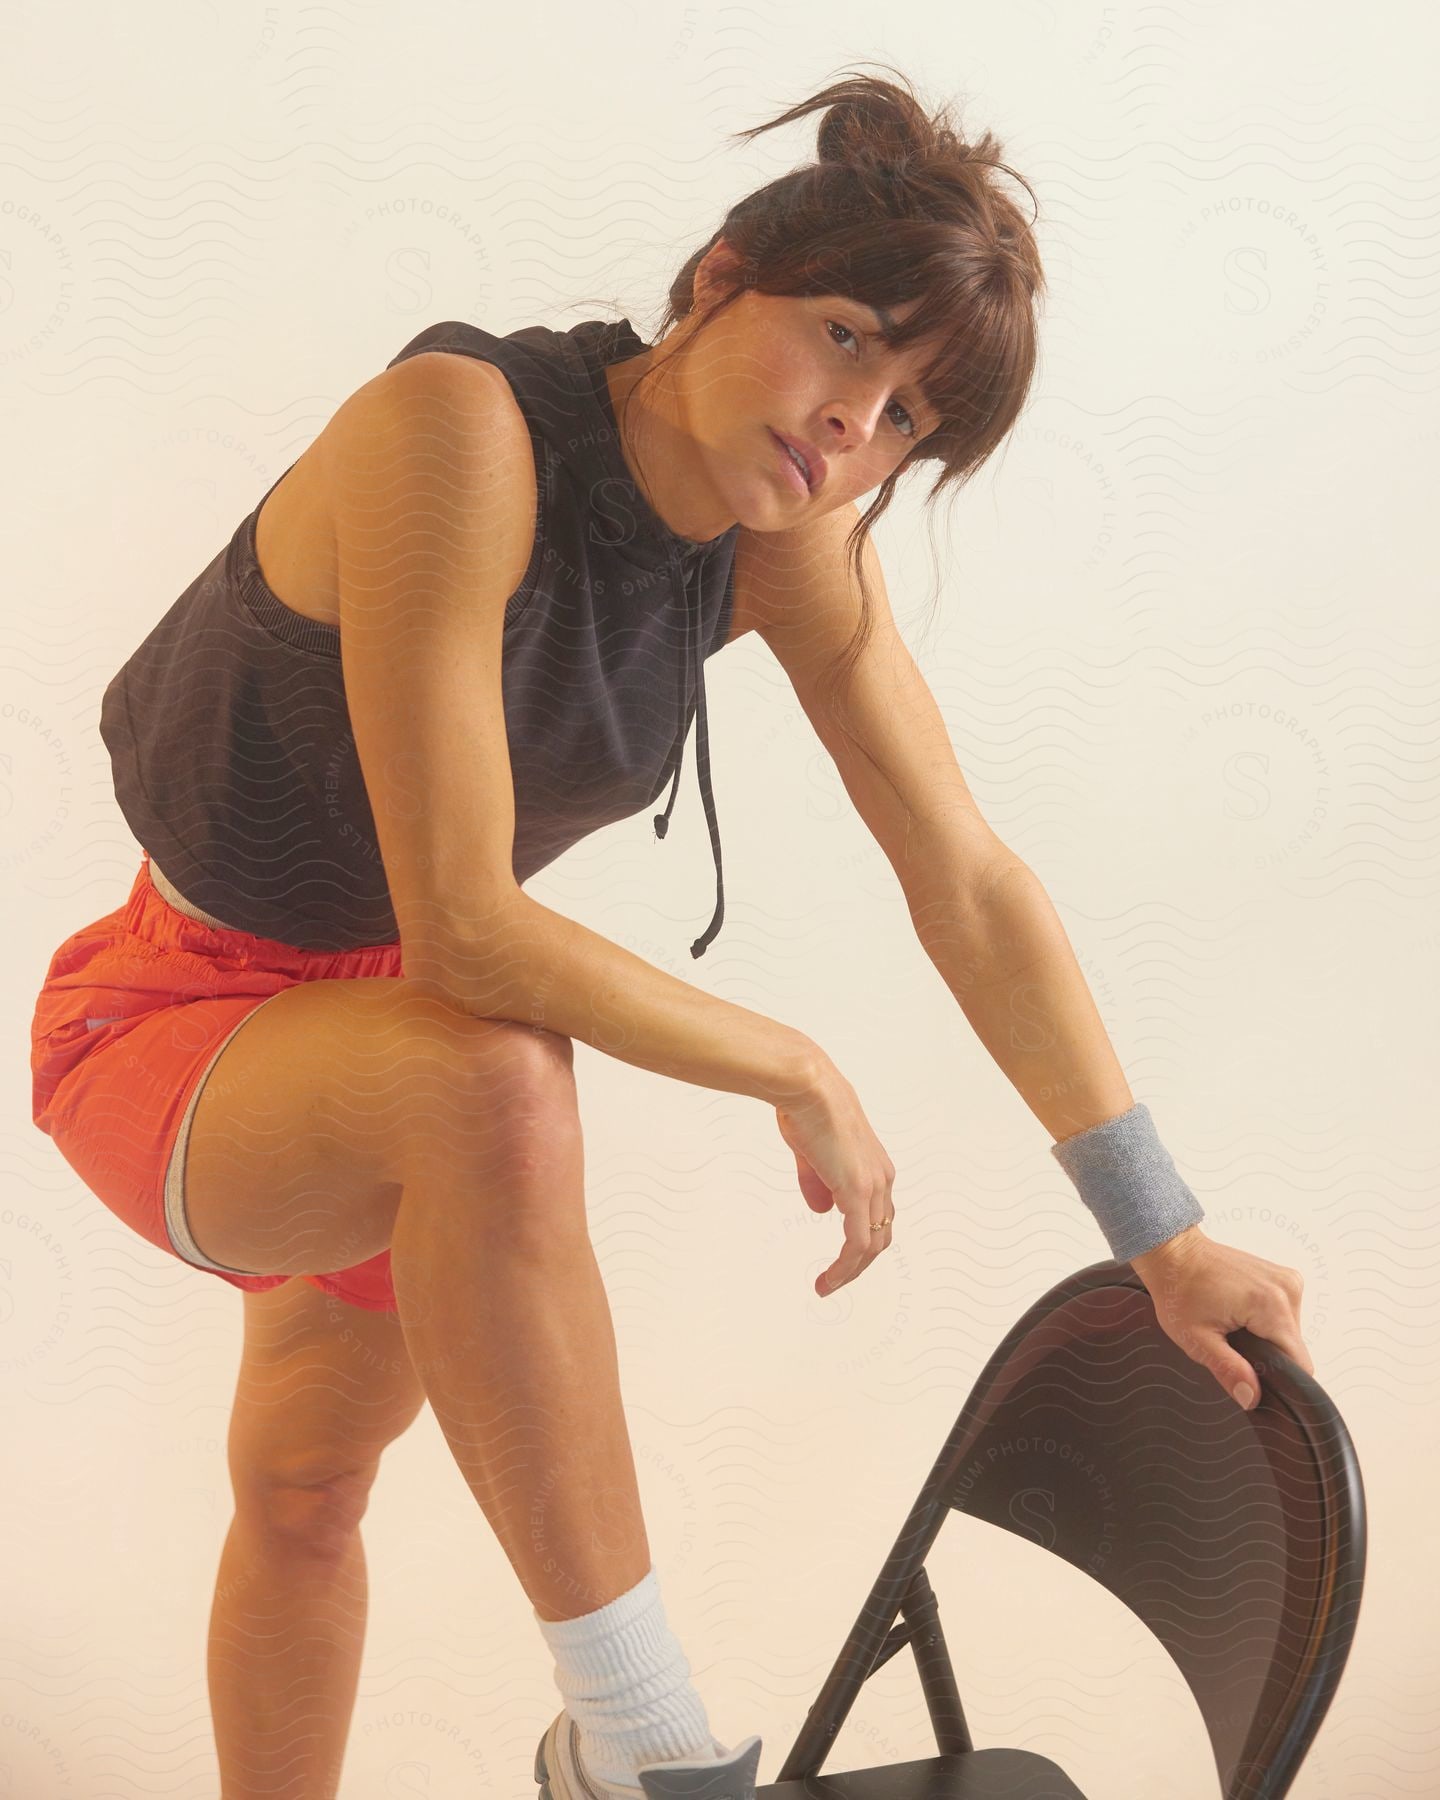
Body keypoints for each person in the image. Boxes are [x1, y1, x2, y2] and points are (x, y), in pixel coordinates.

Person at [28, 64, 1313, 1800]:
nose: (861, 423)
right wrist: (787, 1060)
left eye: (915, 418)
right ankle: (640, 1747)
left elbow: (970, 879)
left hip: (367, 1042)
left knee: (306, 1496)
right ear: (717, 281)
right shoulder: (455, 429)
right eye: (850, 337)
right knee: (494, 1076)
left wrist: (1164, 1236)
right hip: (179, 1018)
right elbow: (469, 928)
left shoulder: (786, 544)